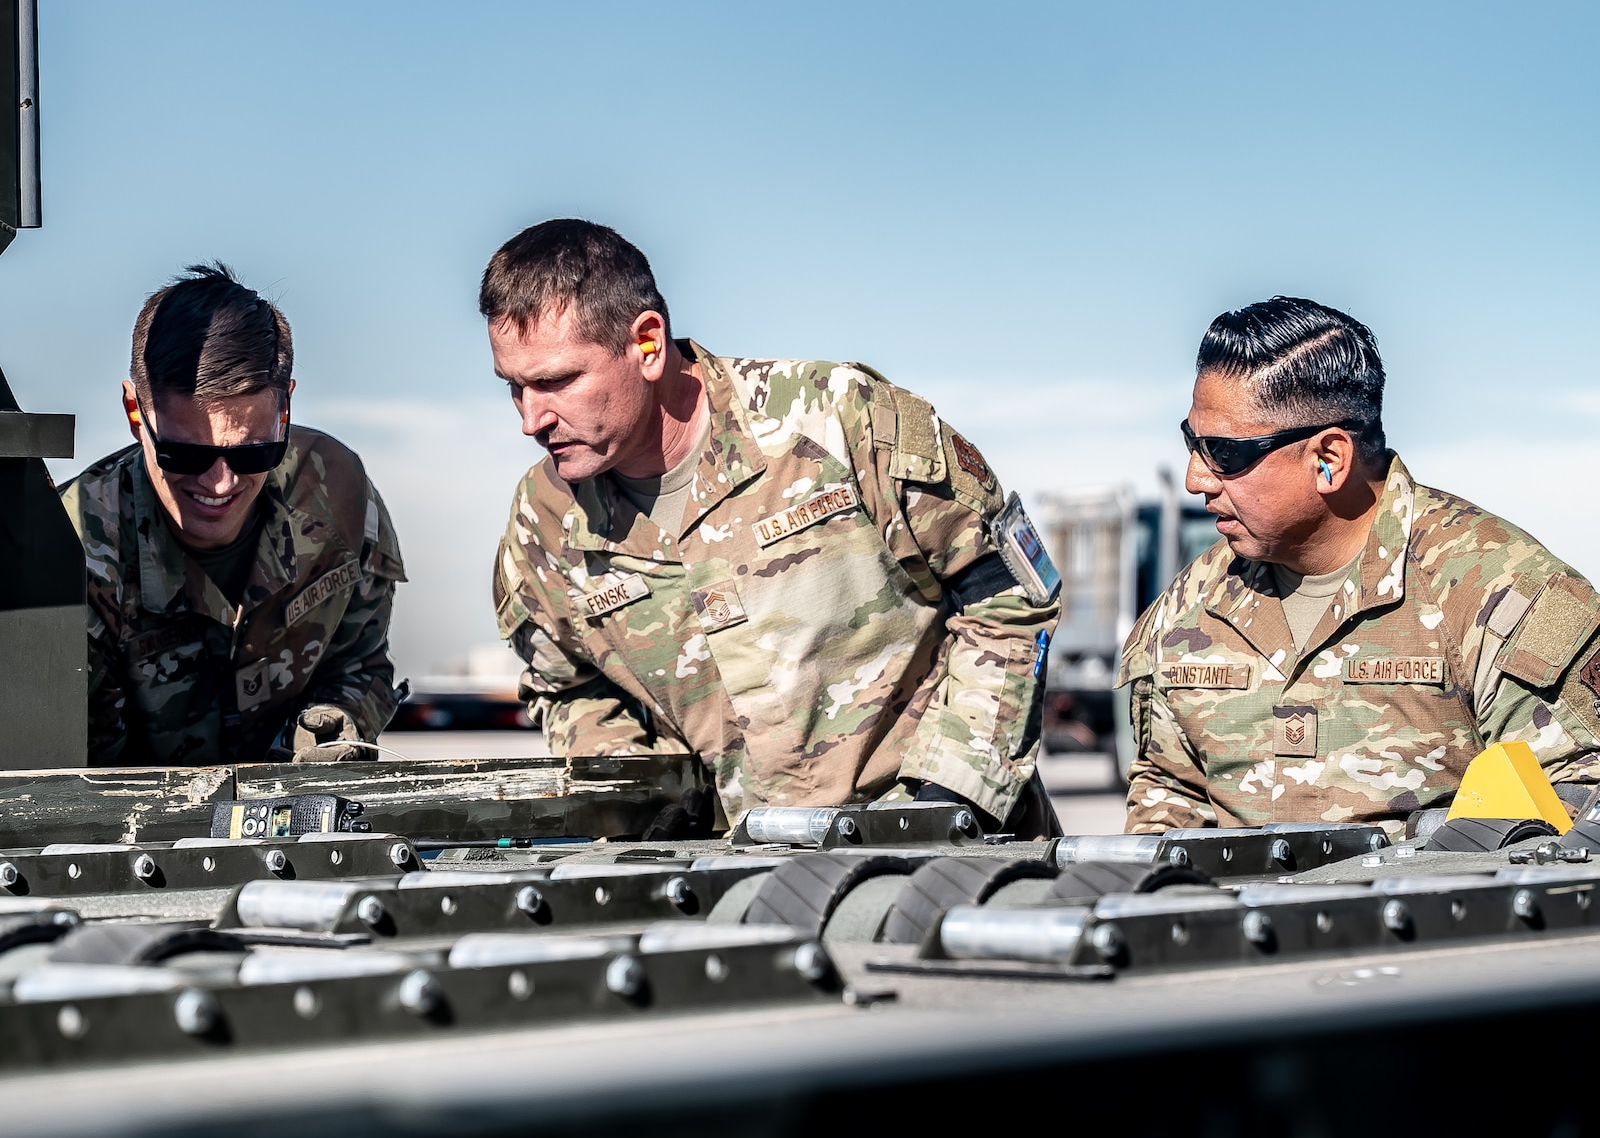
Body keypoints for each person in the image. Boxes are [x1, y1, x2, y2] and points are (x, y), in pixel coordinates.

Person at [487, 219, 1061, 833]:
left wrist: (947, 802)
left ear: (647, 345)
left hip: (953, 850)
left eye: (554, 382)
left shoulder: (836, 419)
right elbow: (568, 686)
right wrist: (644, 799)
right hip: (738, 870)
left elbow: (1008, 599)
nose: (530, 420)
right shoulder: (545, 518)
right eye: (514, 387)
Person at [1119, 296, 1600, 833]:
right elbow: (1169, 792)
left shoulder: (1503, 594)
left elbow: (1580, 808)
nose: (1196, 478)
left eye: (1225, 453)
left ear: (1329, 459)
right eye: (1192, 443)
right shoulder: (1191, 604)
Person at [62, 263, 406, 766]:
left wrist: (338, 720)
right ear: (136, 413)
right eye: (185, 454)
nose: (220, 482)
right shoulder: (73, 552)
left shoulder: (336, 492)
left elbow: (362, 664)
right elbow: (73, 779)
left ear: (284, 411)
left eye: (251, 453)